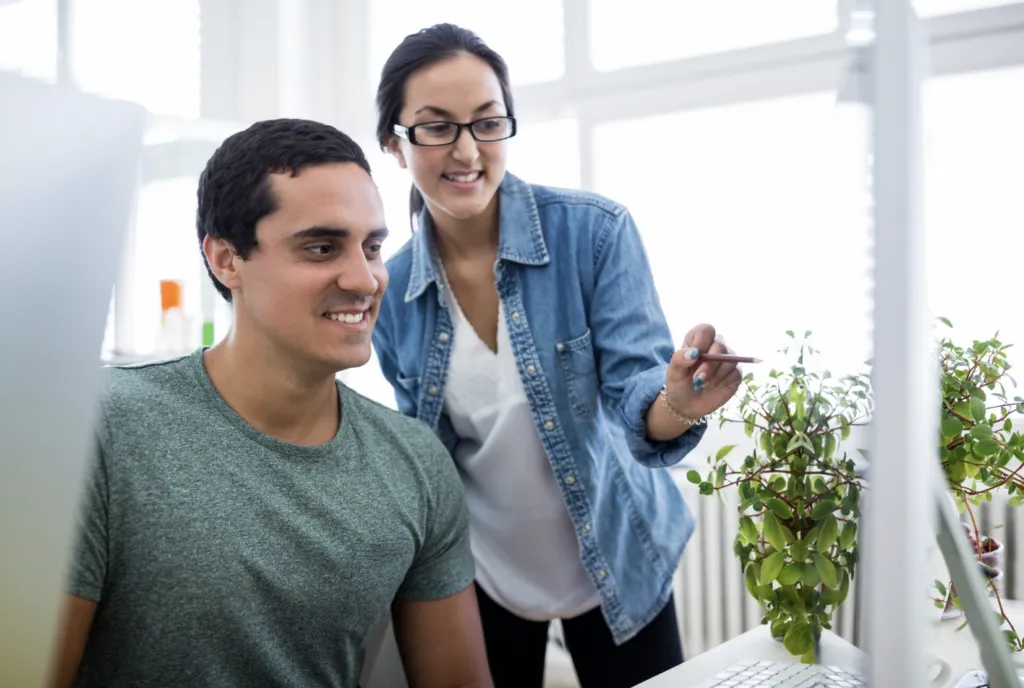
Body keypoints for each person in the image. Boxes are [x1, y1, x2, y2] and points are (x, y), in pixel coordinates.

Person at [49, 118, 493, 688]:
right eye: (321, 247)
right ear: (226, 259)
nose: (366, 279)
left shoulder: (416, 465)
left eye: (373, 246)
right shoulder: (101, 431)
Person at [371, 23, 743, 688]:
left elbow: (639, 398)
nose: (467, 150)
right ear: (394, 145)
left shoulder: (594, 234)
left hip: (617, 556)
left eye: (487, 124)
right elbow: (425, 454)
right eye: (436, 127)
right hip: (486, 570)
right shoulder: (390, 290)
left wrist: (678, 404)